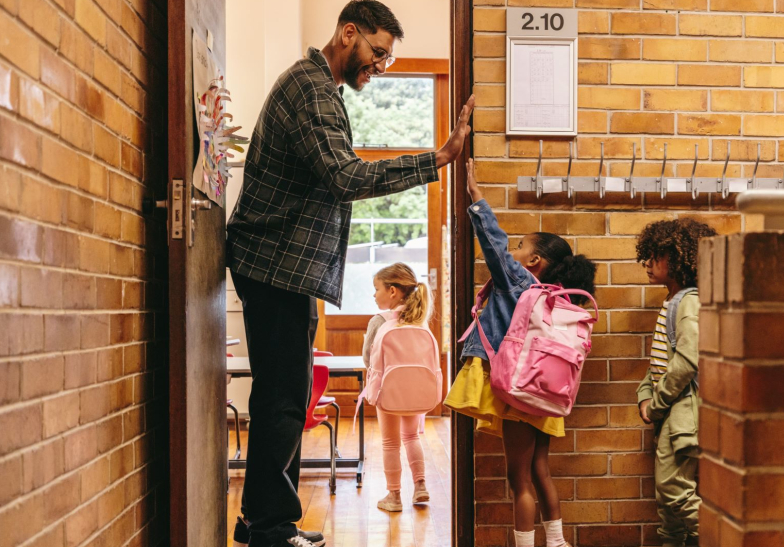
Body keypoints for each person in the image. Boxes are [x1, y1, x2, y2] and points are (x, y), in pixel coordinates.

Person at [225, 0, 474, 545]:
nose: (380, 66)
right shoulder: (313, 90)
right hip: (274, 266)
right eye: (377, 53)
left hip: (284, 268)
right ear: (348, 32)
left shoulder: (320, 87)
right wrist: (437, 159)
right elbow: (344, 176)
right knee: (285, 397)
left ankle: (262, 520)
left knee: (283, 394)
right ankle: (269, 527)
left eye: (386, 59)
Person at [445, 159, 597, 547]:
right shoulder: (555, 300)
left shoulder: (520, 283)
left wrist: (476, 197)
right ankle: (558, 543)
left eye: (521, 248)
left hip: (519, 392)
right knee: (541, 469)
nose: (513, 253)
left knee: (519, 478)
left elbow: (493, 244)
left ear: (534, 262)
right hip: (547, 392)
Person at [635, 218, 716, 547]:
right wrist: (644, 393)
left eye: (657, 255)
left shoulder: (688, 302)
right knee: (667, 501)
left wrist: (655, 404)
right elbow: (659, 361)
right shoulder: (673, 301)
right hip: (669, 411)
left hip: (681, 412)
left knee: (675, 492)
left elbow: (687, 361)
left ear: (682, 259)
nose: (647, 263)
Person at [362, 263, 434, 512]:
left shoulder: (379, 321)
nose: (374, 294)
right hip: (416, 390)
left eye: (377, 288)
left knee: (390, 443)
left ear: (392, 291)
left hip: (387, 391)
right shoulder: (419, 319)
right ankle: (420, 485)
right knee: (412, 436)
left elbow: (367, 358)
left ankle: (393, 496)